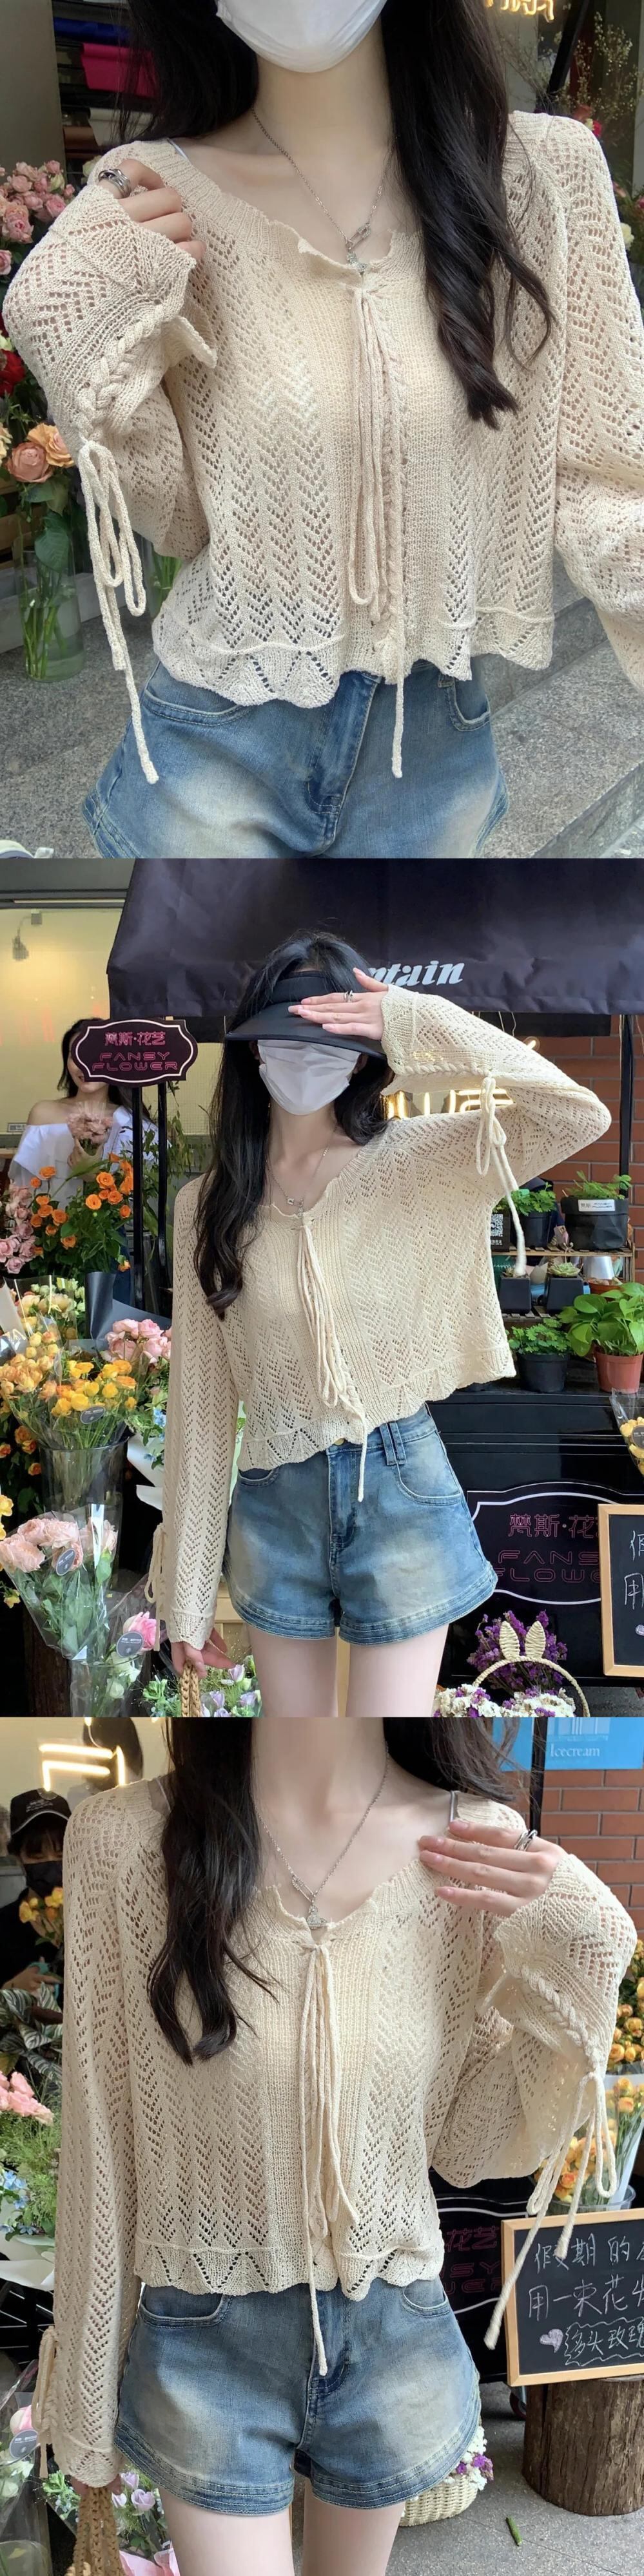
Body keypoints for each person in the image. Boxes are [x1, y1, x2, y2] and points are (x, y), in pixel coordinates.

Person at [5, 3, 644, 861]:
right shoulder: (156, 195)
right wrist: (78, 335)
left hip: (431, 760)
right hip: (213, 766)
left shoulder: (539, 176)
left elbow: (611, 482)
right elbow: (179, 521)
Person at [32, 1712, 635, 2576]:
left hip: (390, 2329)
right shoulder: (124, 1842)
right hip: (205, 2334)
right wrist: (86, 2395)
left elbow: (470, 2141)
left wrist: (582, 1945)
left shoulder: (470, 1844)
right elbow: (99, 2139)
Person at [149, 930, 611, 1719]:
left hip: (397, 1482)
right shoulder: (208, 1204)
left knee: (388, 1743)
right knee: (296, 1745)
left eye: (332, 1035)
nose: (306, 1056)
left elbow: (575, 1113)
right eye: (286, 1035)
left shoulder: (421, 1161)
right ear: (253, 1049)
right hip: (272, 1496)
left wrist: (414, 1020)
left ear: (364, 1056)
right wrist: (185, 1595)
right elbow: (201, 1409)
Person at [9, 1021, 150, 1211]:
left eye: (96, 1055)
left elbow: (142, 1201)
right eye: (76, 1055)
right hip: (48, 1227)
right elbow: (22, 1192)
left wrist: (94, 1176)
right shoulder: (42, 1114)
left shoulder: (130, 1122)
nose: (85, 1065)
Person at [0, 1791, 68, 2014]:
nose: (51, 1863)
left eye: (61, 1854)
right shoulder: (4, 1928)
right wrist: (9, 1991)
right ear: (17, 1857)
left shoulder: (96, 1920)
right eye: (37, 1856)